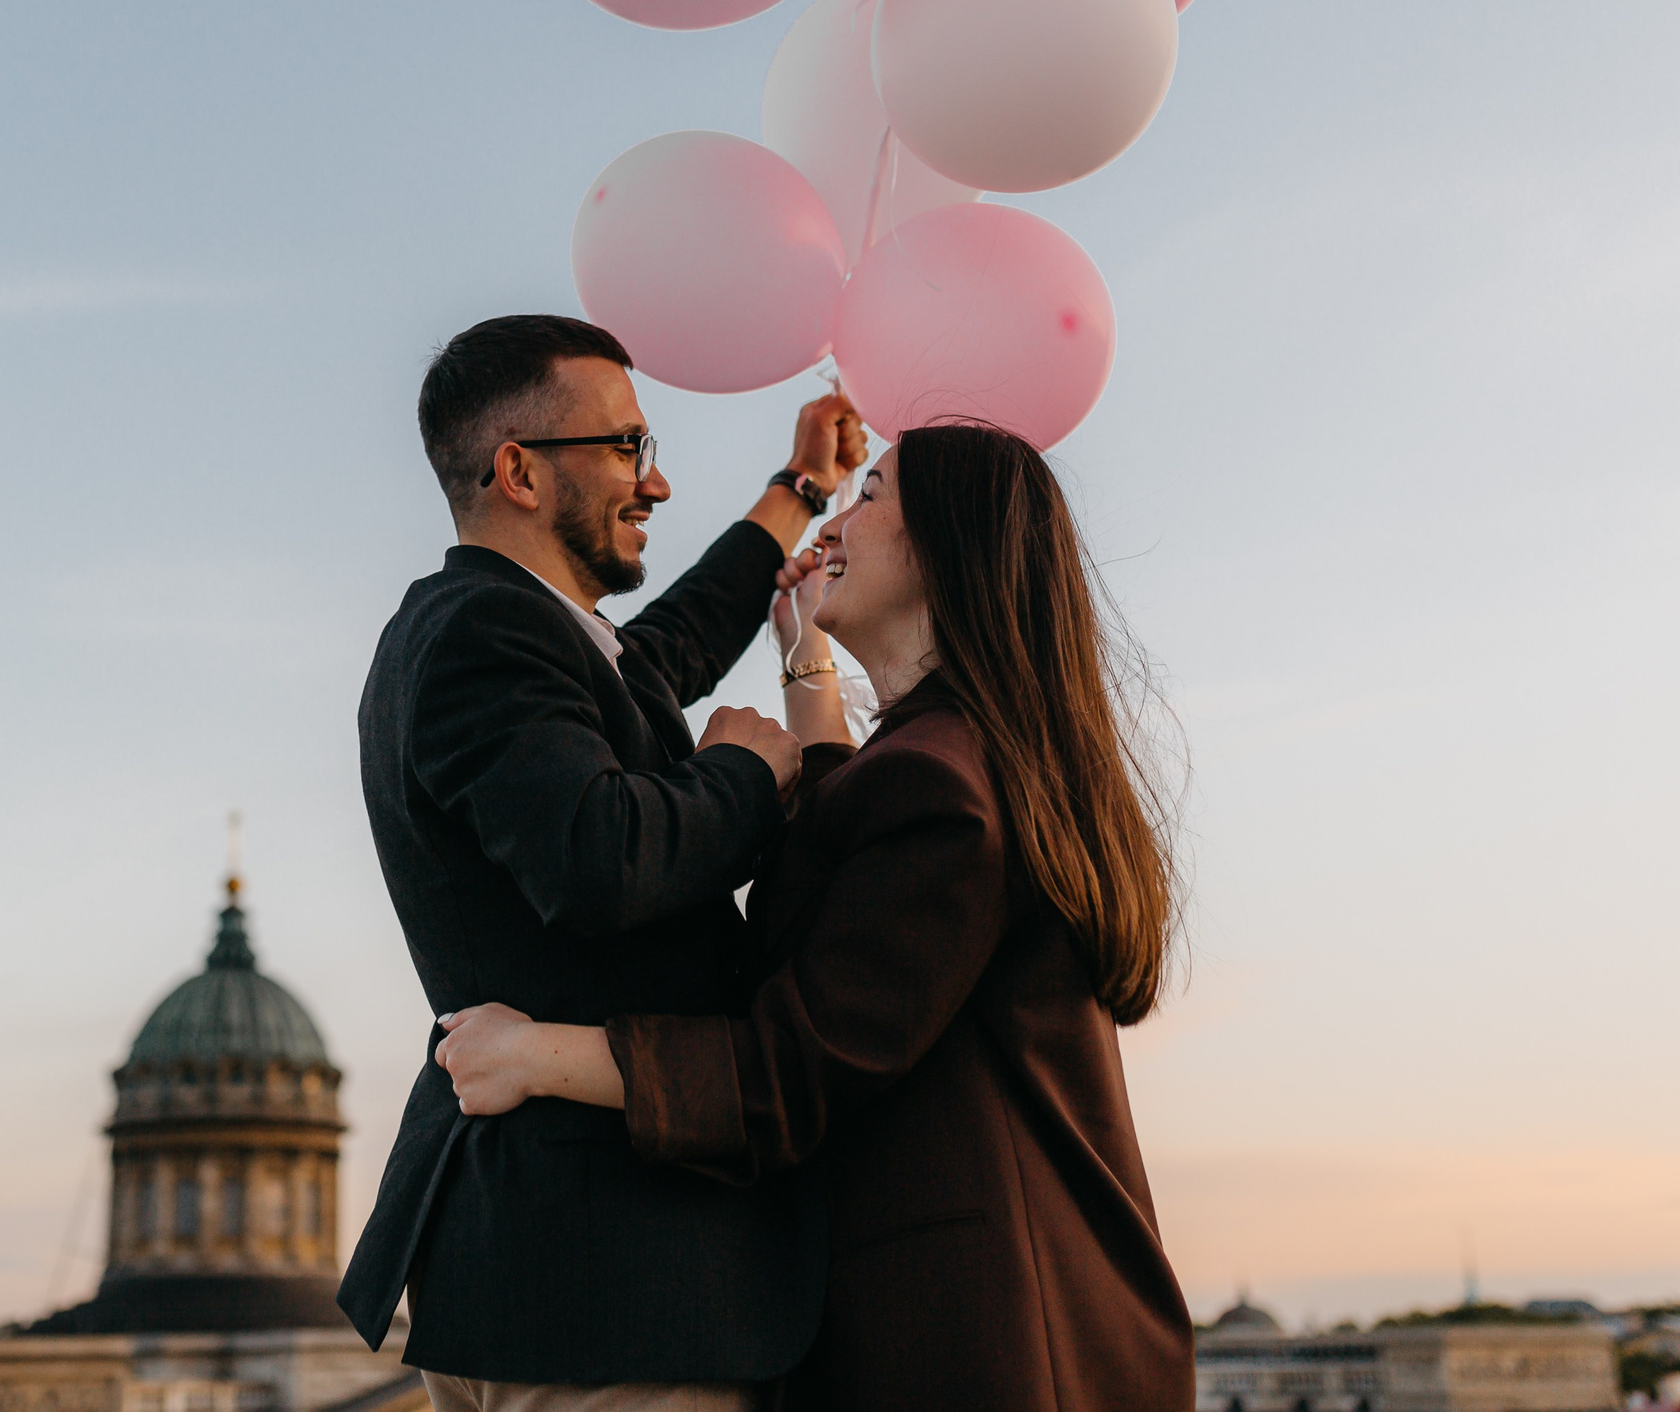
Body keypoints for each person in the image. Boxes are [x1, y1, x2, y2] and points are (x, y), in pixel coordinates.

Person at [435, 421, 1197, 1412]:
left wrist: (534, 1055)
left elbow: (792, 1072)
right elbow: (857, 852)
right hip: (1023, 1317)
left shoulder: (939, 787)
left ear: (943, 549)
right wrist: (804, 672)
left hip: (986, 1342)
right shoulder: (965, 762)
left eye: (869, 496)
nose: (836, 525)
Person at [339, 314, 868, 1410]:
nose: (657, 483)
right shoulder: (484, 632)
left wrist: (798, 491)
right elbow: (597, 857)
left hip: (557, 1273)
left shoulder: (529, 632)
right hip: (602, 1288)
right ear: (519, 471)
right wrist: (745, 775)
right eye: (627, 447)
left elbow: (665, 647)